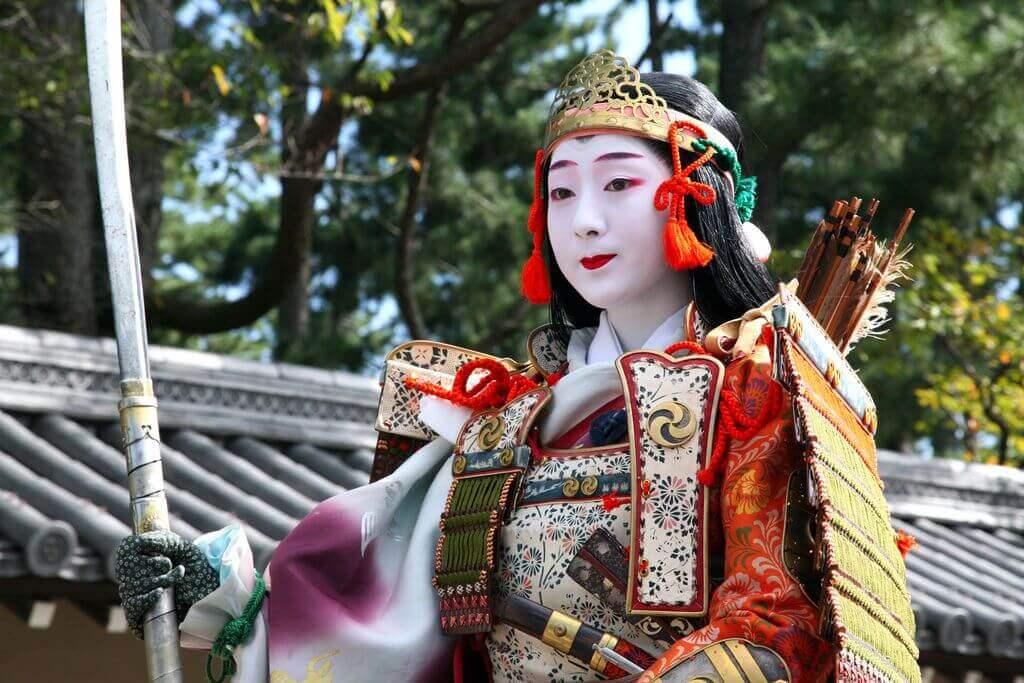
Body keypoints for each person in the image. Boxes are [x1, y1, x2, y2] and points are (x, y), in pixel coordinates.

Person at [115, 50, 917, 682]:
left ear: (696, 194)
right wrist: (229, 605)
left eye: (618, 184)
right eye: (562, 193)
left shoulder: (766, 384)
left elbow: (780, 627)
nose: (585, 220)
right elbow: (388, 628)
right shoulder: (502, 417)